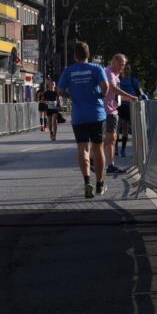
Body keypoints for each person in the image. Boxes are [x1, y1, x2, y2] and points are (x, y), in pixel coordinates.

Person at [56, 42, 110, 199]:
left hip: (79, 116)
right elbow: (105, 86)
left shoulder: (69, 71)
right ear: (89, 54)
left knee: (83, 149)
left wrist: (70, 95)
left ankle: (87, 182)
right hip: (96, 114)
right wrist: (101, 95)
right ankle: (100, 184)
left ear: (75, 55)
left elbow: (59, 91)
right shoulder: (96, 68)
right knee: (98, 149)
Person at [103, 54, 138, 174]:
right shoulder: (109, 73)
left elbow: (116, 96)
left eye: (123, 64)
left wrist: (128, 99)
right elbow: (113, 88)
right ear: (114, 62)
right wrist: (130, 96)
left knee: (112, 138)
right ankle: (94, 158)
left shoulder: (116, 74)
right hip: (107, 110)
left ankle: (110, 165)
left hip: (112, 110)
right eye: (120, 64)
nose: (122, 67)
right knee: (109, 138)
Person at [117, 64, 144, 157]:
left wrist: (139, 103)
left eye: (128, 69)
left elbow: (139, 94)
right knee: (119, 127)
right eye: (125, 69)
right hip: (120, 106)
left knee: (129, 128)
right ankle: (117, 149)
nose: (126, 71)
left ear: (130, 70)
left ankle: (125, 150)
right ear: (122, 70)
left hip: (131, 107)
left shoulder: (134, 81)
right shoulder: (119, 80)